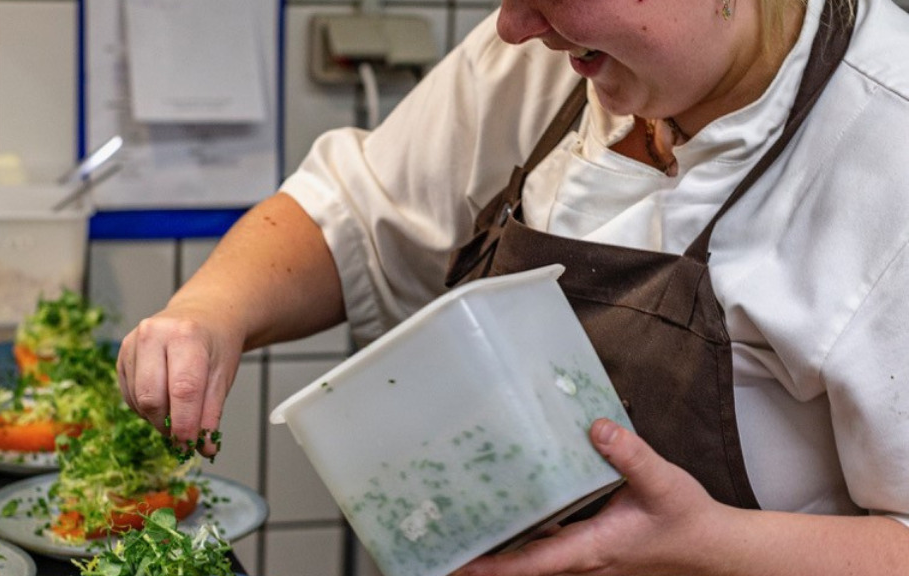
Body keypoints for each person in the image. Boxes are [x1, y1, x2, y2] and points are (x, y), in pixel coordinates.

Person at [117, 0, 909, 572]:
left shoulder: (885, 144)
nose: (512, 25)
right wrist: (209, 312)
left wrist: (708, 546)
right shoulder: (554, 59)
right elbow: (358, 213)